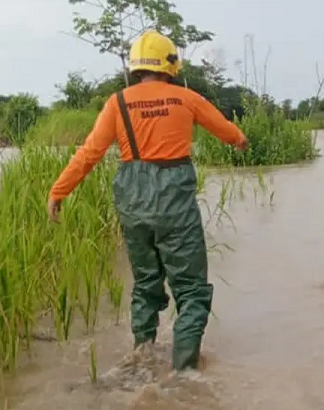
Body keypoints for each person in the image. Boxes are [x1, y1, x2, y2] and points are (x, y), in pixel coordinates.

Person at [46, 30, 249, 370]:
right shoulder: (186, 98)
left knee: (145, 284)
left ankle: (142, 357)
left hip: (133, 199)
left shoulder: (117, 103)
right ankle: (184, 375)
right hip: (174, 200)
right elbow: (227, 131)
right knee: (191, 289)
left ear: (136, 66)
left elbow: (90, 152)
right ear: (170, 65)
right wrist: (241, 140)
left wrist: (59, 190)